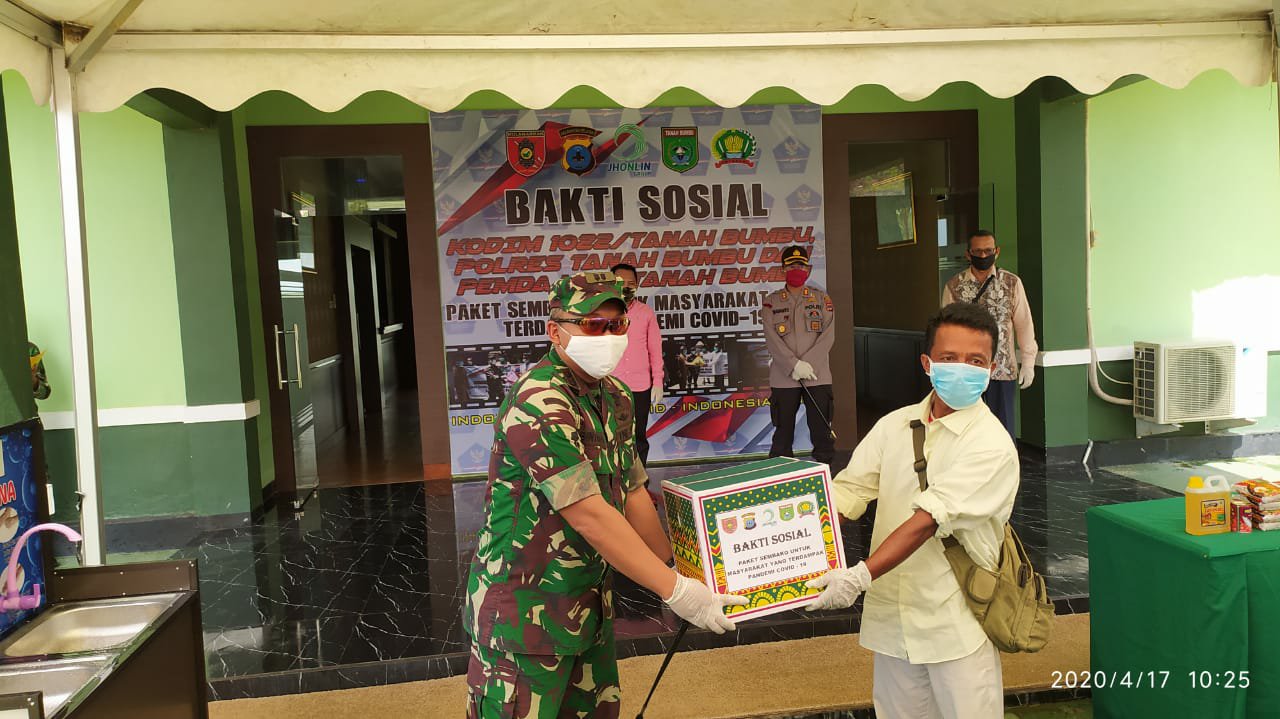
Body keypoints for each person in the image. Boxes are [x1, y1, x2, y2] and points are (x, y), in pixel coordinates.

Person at [464, 271, 746, 719]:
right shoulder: (539, 399)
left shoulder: (615, 396)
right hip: (524, 617)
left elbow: (632, 492)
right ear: (555, 332)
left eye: (617, 325)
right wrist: (675, 591)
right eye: (593, 325)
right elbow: (588, 514)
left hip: (587, 607)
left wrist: (677, 569)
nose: (609, 336)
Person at [806, 302, 1019, 719]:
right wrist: (773, 547)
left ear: (992, 369)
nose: (962, 369)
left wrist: (859, 575)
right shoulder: (895, 425)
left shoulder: (991, 445)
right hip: (894, 619)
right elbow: (847, 494)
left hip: (955, 622)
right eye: (949, 358)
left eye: (976, 361)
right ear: (927, 363)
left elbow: (927, 522)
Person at [942, 230, 1038, 437]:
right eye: (978, 251)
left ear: (997, 251)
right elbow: (945, 332)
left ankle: (1004, 460)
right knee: (965, 429)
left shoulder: (1011, 283)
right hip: (965, 371)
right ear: (968, 254)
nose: (983, 256)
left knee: (1002, 430)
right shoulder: (954, 286)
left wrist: (1028, 363)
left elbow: (1024, 324)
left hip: (1002, 369)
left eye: (988, 251)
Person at [761, 245, 835, 465]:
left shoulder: (821, 299)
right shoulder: (771, 302)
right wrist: (794, 365)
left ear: (808, 269)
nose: (797, 269)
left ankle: (824, 474)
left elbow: (828, 335)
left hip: (817, 375)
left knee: (822, 432)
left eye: (801, 265)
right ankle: (781, 475)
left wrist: (808, 365)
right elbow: (771, 339)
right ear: (783, 269)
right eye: (792, 265)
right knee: (782, 434)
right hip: (784, 377)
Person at [608, 263, 664, 466]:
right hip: (610, 386)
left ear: (637, 285)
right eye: (620, 282)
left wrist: (658, 381)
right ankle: (615, 481)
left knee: (638, 437)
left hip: (640, 387)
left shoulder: (645, 312)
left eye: (631, 283)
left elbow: (655, 349)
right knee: (611, 436)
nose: (626, 287)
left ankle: (640, 482)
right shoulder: (602, 313)